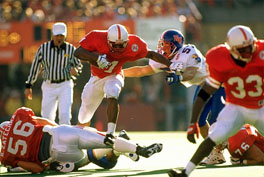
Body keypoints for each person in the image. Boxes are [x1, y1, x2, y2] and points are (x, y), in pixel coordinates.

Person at [168, 25, 264, 177]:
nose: (247, 53)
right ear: (231, 49)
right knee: (213, 138)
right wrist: (193, 122)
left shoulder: (261, 52)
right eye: (242, 50)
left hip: (260, 107)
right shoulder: (219, 57)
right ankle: (185, 173)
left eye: (249, 47)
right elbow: (206, 92)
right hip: (236, 108)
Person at [123, 29, 226, 164]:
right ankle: (216, 152)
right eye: (162, 44)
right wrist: (119, 72)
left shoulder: (189, 51)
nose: (162, 48)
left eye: (167, 45)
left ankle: (239, 147)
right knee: (199, 121)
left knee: (217, 121)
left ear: (176, 45)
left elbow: (191, 72)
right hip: (203, 86)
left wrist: (179, 77)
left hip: (218, 83)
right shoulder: (163, 58)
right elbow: (142, 70)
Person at [74, 24, 182, 146]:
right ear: (108, 41)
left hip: (115, 74)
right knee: (84, 117)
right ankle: (80, 136)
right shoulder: (96, 37)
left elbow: (151, 54)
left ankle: (110, 133)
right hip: (96, 78)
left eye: (122, 45)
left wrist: (170, 65)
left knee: (112, 92)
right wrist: (96, 58)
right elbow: (78, 52)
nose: (119, 48)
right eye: (115, 45)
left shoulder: (134, 44)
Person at [0, 107, 163, 173]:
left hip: (58, 154)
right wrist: (59, 128)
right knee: (107, 139)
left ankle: (120, 150)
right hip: (58, 133)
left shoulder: (7, 155)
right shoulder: (19, 116)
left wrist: (47, 165)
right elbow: (42, 121)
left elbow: (36, 169)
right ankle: (137, 149)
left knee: (87, 157)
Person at [25, 22, 83, 125]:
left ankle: (64, 140)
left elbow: (78, 65)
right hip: (49, 85)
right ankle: (48, 139)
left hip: (65, 84)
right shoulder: (43, 49)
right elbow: (35, 67)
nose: (59, 38)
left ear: (65, 36)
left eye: (61, 36)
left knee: (65, 115)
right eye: (57, 36)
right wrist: (29, 85)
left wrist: (76, 70)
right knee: (47, 116)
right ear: (52, 35)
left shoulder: (70, 49)